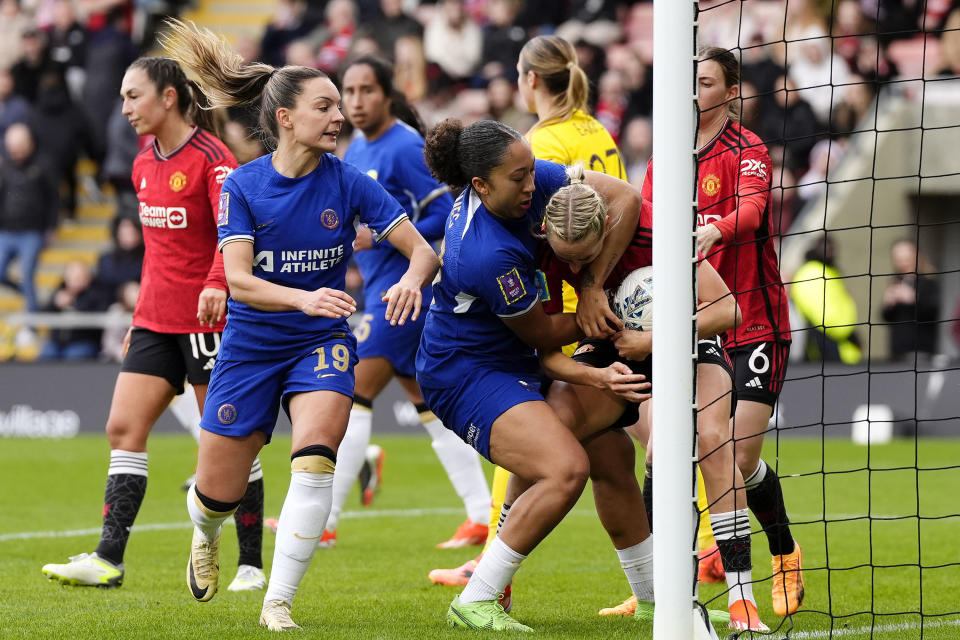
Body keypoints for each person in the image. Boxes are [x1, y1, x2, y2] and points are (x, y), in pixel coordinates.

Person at [160, 19, 440, 631]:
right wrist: (305, 297)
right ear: (285, 117)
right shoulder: (245, 185)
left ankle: (278, 601)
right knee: (218, 493)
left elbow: (423, 250)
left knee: (316, 461)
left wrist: (411, 281)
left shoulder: (353, 182)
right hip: (251, 347)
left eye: (340, 104)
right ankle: (205, 533)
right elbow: (237, 280)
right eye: (325, 105)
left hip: (321, 344)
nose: (339, 115)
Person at [41, 56, 266, 593]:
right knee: (123, 428)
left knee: (228, 442)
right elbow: (156, 252)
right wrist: (140, 312)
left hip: (207, 322)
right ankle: (107, 558)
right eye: (121, 97)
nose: (125, 108)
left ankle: (251, 565)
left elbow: (235, 234)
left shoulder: (215, 161)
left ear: (169, 98)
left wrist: (217, 284)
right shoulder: (143, 163)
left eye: (133, 96)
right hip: (155, 321)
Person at [418, 118, 644, 631]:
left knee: (612, 454)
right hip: (465, 373)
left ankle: (653, 599)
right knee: (564, 468)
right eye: (518, 178)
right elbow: (543, 336)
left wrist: (593, 284)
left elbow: (626, 197)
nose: (532, 184)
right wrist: (617, 320)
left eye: (530, 171)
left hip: (510, 359)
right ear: (480, 185)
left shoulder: (531, 177)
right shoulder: (487, 252)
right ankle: (477, 598)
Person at [540, 167, 756, 631]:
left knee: (713, 442)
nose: (575, 270)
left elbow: (728, 310)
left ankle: (743, 600)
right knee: (551, 430)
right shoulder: (547, 245)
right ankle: (656, 593)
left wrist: (656, 339)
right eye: (567, 260)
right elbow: (543, 343)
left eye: (585, 259)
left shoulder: (658, 233)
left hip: (683, 341)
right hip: (615, 342)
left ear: (607, 233)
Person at [641, 46, 804, 619]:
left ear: (729, 92)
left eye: (706, 82)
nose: (694, 91)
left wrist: (713, 231)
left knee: (733, 455)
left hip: (756, 321)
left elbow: (755, 213)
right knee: (682, 448)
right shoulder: (667, 156)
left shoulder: (748, 148)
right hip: (698, 322)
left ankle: (784, 553)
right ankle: (664, 586)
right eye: (690, 80)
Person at [309, 54, 490, 549]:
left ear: (388, 95)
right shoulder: (356, 151)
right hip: (382, 293)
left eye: (367, 90)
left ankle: (324, 520)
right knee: (429, 406)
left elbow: (454, 211)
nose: (356, 101)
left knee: (350, 390)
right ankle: (480, 514)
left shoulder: (404, 147)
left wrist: (384, 237)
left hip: (406, 293)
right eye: (350, 91)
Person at [0, 122, 57, 313]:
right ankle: (25, 293)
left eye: (18, 149)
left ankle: (32, 320)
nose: (14, 154)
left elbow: (54, 198)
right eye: (11, 150)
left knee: (27, 273)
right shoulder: (5, 165)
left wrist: (52, 226)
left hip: (32, 231)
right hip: (7, 230)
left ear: (29, 144)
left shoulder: (43, 163)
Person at [881, 238, 941, 361]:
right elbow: (886, 316)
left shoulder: (928, 282)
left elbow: (932, 312)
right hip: (897, 352)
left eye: (906, 259)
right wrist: (888, 303)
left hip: (921, 351)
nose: (902, 263)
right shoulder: (895, 282)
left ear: (915, 257)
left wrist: (913, 299)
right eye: (898, 259)